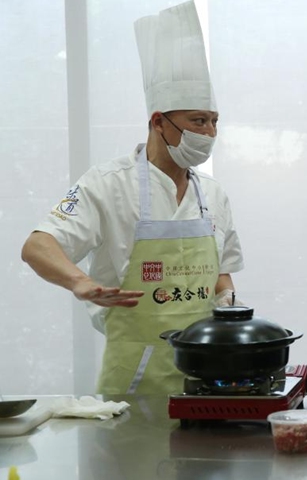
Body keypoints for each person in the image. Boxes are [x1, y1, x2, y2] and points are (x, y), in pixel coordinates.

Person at [20, 0, 244, 395]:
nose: (208, 134)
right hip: (132, 382)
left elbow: (222, 271)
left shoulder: (212, 193)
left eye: (213, 122)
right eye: (197, 121)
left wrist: (229, 304)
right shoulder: (108, 183)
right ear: (158, 122)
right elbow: (38, 245)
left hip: (205, 377)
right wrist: (80, 282)